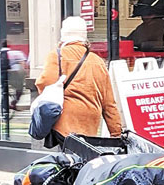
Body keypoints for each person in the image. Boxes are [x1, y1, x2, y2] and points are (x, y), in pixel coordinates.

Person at [35, 16, 122, 146]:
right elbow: (109, 102)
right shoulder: (98, 61)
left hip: (65, 120)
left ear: (63, 35)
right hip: (90, 122)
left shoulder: (57, 56)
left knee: (67, 159)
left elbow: (45, 82)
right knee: (84, 157)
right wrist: (116, 133)